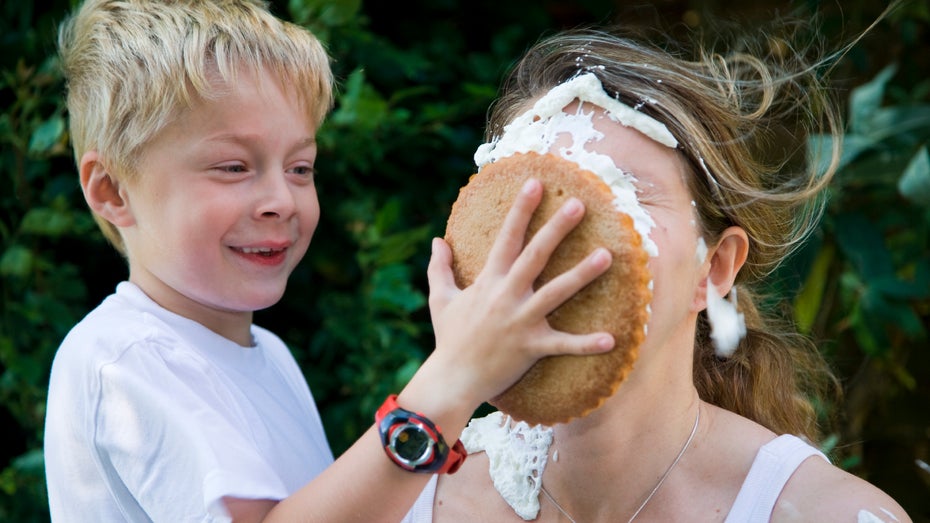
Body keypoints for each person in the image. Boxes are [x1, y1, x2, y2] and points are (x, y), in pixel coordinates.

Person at [43, 1, 620, 521]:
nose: (281, 200)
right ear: (112, 191)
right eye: (233, 167)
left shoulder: (267, 355)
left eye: (300, 168)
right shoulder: (120, 359)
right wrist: (453, 377)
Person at [406, 25, 913, 523]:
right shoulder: (402, 494)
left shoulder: (827, 513)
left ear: (713, 268)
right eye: (531, 196)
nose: (561, 231)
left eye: (619, 189)